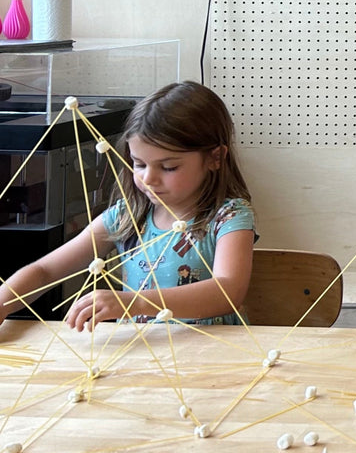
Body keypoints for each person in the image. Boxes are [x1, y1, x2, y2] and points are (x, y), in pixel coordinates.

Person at [0, 82, 255, 329]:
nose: (148, 178)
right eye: (139, 164)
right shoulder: (126, 215)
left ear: (215, 158)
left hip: (209, 358)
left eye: (168, 167)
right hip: (138, 357)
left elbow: (228, 291)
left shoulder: (229, 217)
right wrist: (2, 302)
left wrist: (134, 302)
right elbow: (45, 270)